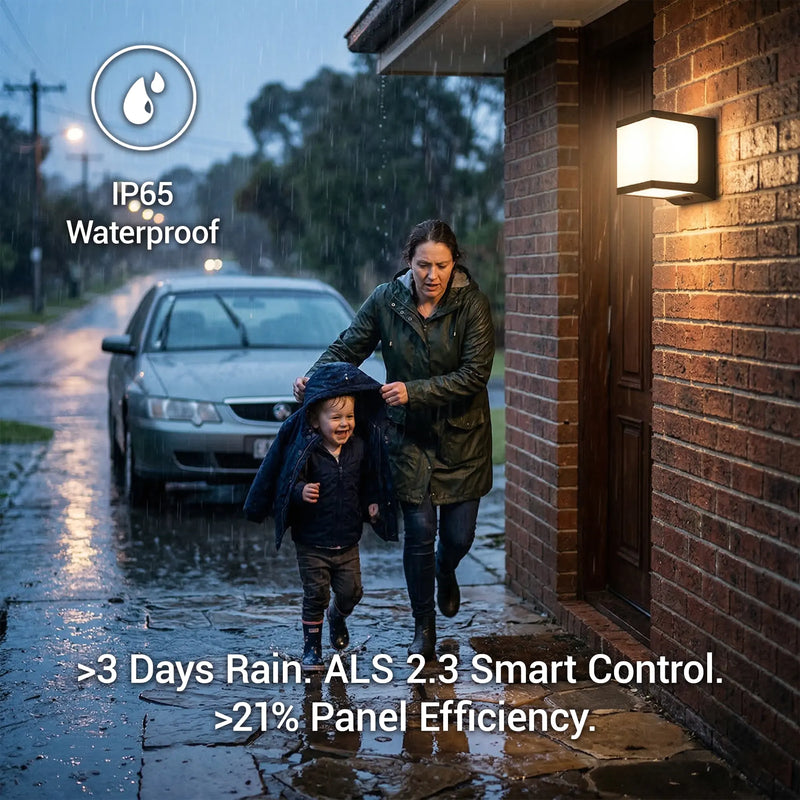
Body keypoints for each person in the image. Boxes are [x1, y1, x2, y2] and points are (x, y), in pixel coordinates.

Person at [293, 219, 495, 661]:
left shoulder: (472, 304)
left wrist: (413, 391)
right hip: (408, 438)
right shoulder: (386, 300)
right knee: (419, 533)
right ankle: (424, 626)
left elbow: (475, 374)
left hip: (462, 440)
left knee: (458, 537)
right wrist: (314, 377)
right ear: (409, 262)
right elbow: (348, 347)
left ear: (454, 263)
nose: (432, 275)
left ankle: (446, 567)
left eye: (441, 265)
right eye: (423, 265)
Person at [244, 362, 398, 670]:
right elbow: (285, 484)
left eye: (349, 417)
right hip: (311, 541)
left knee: (352, 592)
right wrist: (300, 491)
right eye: (336, 417)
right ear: (315, 420)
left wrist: (373, 503)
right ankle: (311, 649)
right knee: (315, 595)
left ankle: (337, 616)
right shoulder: (307, 451)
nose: (344, 424)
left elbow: (369, 479)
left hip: (348, 540)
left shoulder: (358, 447)